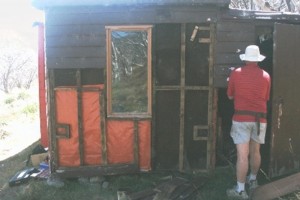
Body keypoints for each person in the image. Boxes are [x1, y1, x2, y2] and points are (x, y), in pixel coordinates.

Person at [226, 45, 271, 199]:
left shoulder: (236, 73)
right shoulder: (266, 76)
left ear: (245, 59)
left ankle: (240, 190)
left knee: (242, 156)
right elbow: (265, 98)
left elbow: (230, 96)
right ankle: (253, 181)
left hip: (241, 119)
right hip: (260, 119)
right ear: (257, 60)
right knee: (255, 151)